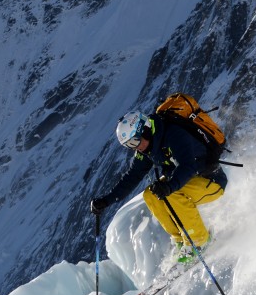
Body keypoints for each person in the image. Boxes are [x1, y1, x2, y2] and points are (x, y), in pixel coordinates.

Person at [90, 110, 227, 264]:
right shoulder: (149, 147)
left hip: (211, 180)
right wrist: (106, 201)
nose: (135, 148)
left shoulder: (174, 135)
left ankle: (199, 241)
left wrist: (169, 186)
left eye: (134, 141)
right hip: (185, 182)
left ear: (145, 130)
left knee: (171, 193)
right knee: (150, 195)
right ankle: (181, 240)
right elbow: (132, 177)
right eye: (129, 145)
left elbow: (188, 166)